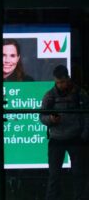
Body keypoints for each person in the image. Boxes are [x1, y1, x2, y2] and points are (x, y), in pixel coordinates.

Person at [40, 65, 89, 200]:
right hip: (57, 139)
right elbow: (41, 117)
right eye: (57, 82)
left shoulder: (80, 93)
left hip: (76, 138)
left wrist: (84, 135)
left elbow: (86, 115)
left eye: (62, 81)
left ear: (68, 78)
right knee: (54, 176)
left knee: (79, 174)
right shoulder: (50, 95)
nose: (60, 85)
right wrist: (50, 119)